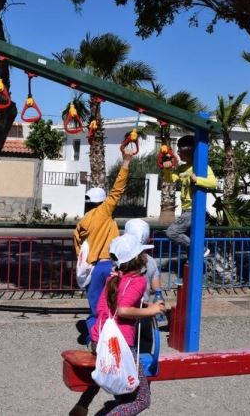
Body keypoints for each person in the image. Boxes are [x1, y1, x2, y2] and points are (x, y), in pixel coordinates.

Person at [71, 234, 165, 416]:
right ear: (139, 259)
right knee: (142, 399)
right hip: (120, 347)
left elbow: (101, 308)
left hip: (99, 340)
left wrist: (142, 306)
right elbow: (122, 310)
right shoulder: (138, 281)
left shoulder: (113, 279)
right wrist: (150, 310)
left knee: (119, 388)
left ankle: (83, 405)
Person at [74, 147, 133, 342]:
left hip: (92, 268)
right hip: (110, 265)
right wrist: (125, 163)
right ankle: (114, 337)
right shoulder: (103, 212)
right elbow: (117, 190)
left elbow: (79, 248)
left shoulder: (83, 222)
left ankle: (94, 338)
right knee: (113, 304)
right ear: (102, 202)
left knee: (94, 306)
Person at [162, 135, 217, 256]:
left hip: (194, 209)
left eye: (180, 150)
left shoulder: (202, 167)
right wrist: (167, 169)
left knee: (171, 232)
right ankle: (192, 263)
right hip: (185, 209)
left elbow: (213, 183)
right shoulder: (182, 168)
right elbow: (170, 180)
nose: (178, 153)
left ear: (190, 150)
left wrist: (197, 180)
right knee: (187, 243)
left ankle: (201, 249)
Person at [124, 219, 161, 303]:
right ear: (148, 239)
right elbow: (157, 289)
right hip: (143, 307)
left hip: (123, 306)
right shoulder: (151, 261)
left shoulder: (121, 259)